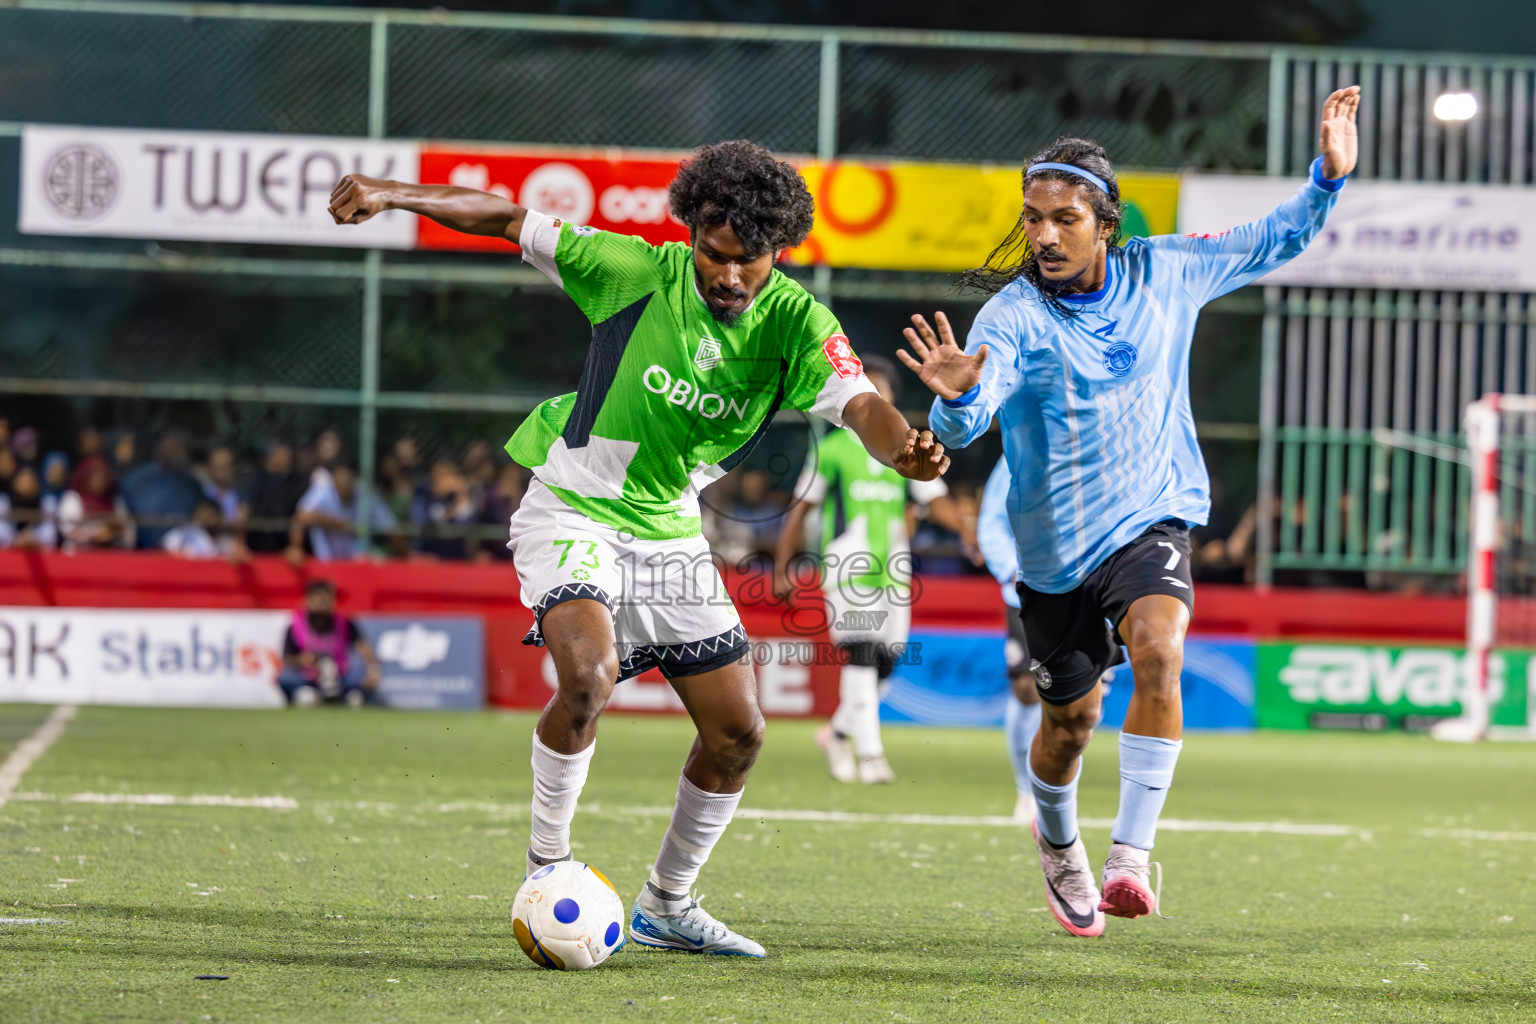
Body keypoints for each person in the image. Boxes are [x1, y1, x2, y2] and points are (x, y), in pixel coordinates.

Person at [329, 138, 949, 957]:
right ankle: (547, 870)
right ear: (691, 235)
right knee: (587, 678)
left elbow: (862, 405)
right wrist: (393, 192)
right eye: (713, 255)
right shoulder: (632, 271)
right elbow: (509, 218)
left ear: (780, 251)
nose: (728, 276)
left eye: (748, 262)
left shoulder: (799, 322)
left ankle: (667, 904)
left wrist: (904, 445)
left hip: (667, 533)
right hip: (573, 510)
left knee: (740, 734)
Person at [902, 89, 1359, 937]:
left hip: (1151, 520)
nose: (1044, 235)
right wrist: (956, 402)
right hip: (1053, 554)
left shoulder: (1170, 269)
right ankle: (1060, 841)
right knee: (1068, 726)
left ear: (1104, 222)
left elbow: (1274, 237)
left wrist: (1327, 180)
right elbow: (972, 411)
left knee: (1159, 648)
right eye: (1034, 218)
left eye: (1065, 218)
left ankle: (1130, 857)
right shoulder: (1012, 314)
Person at [773, 355, 963, 785]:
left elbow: (937, 502)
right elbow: (801, 510)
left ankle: (837, 733)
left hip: (893, 572)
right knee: (861, 655)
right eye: (868, 392)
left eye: (884, 393)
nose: (876, 400)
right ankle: (872, 756)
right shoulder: (833, 449)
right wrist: (784, 566)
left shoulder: (905, 450)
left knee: (885, 664)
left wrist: (971, 532)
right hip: (845, 567)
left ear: (892, 401)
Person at [976, 457, 1042, 824]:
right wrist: (1008, 568)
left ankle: (1057, 789)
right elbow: (992, 520)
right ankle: (1025, 791)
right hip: (1026, 591)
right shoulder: (1017, 451)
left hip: (1083, 589)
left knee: (1080, 698)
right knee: (1026, 688)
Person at [277, 579, 382, 706]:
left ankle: (345, 696)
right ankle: (310, 695)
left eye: (326, 596)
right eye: (317, 596)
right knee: (286, 678)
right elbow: (287, 659)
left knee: (357, 672)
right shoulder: (295, 626)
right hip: (308, 676)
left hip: (339, 674)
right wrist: (302, 660)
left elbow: (363, 647)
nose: (322, 601)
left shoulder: (344, 623)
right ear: (307, 600)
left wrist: (373, 669)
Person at [290, 463, 397, 563]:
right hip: (327, 563)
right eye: (339, 477)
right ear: (333, 478)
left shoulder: (364, 493)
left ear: (354, 478)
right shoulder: (323, 490)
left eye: (347, 477)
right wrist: (339, 524)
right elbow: (301, 516)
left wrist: (405, 555)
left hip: (357, 562)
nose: (343, 482)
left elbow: (391, 527)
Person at [120, 432, 204, 549]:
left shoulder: (190, 482)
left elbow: (202, 511)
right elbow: (124, 510)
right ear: (159, 448)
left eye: (176, 448)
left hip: (184, 547)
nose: (172, 452)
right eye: (168, 447)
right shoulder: (137, 479)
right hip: (142, 548)